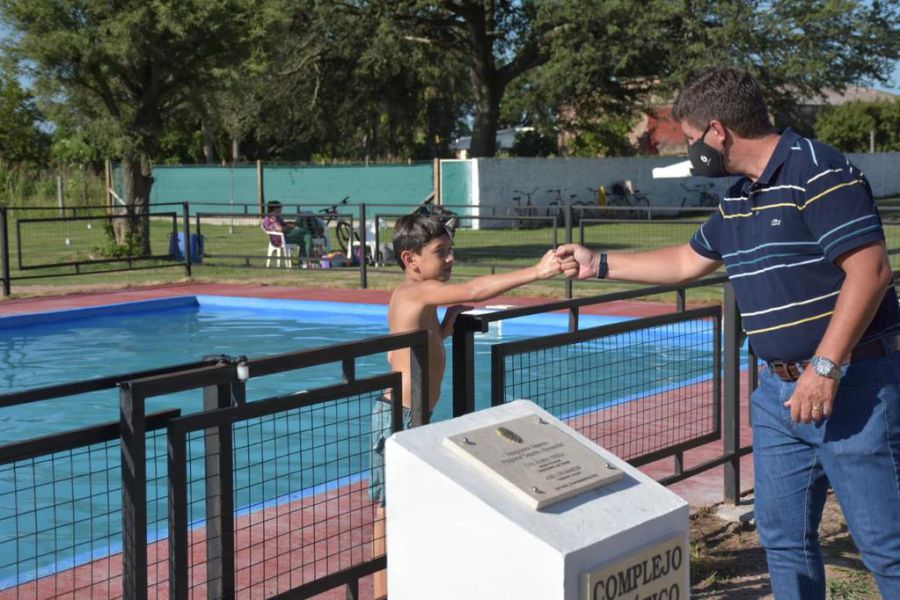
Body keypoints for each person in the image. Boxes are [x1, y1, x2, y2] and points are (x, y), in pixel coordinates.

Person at [556, 66, 900, 599]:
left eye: (692, 140)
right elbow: (683, 261)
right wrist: (597, 262)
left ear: (718, 132)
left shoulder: (818, 171)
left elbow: (871, 270)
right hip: (779, 398)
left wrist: (825, 367)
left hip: (851, 386)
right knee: (784, 541)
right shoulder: (740, 197)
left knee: (886, 547)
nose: (692, 151)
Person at [369, 211, 562, 599]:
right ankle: (382, 594)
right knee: (387, 512)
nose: (451, 259)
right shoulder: (414, 292)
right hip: (398, 418)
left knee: (410, 505)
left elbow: (419, 343)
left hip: (413, 416)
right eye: (441, 252)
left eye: (451, 250)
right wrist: (538, 272)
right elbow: (475, 291)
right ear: (411, 260)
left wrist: (446, 326)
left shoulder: (418, 296)